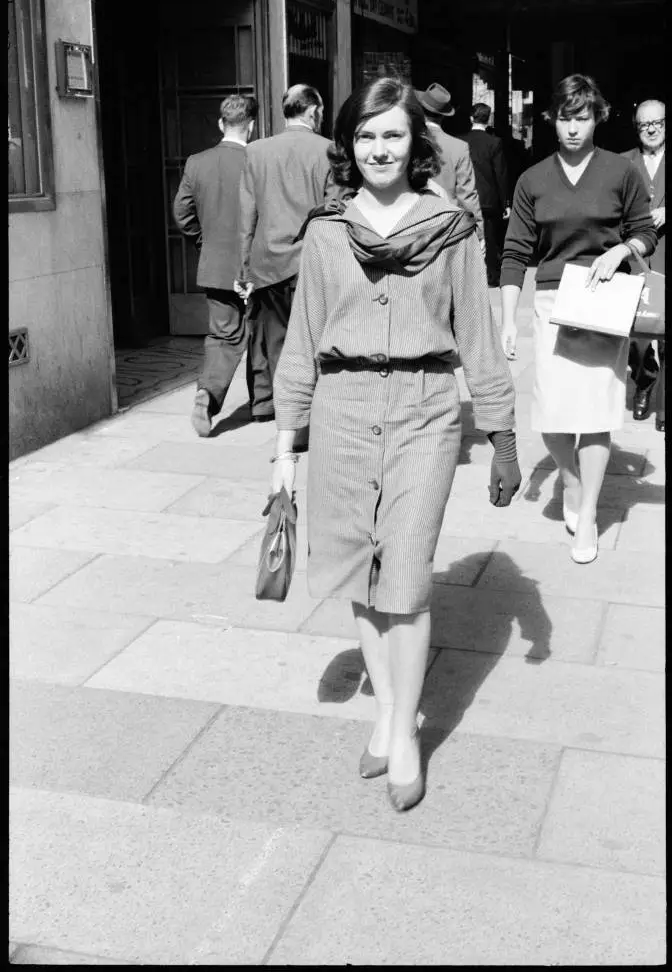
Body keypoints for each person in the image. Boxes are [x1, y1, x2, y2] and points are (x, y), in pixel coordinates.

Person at [270, 77, 520, 813]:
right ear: (349, 144)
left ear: (417, 144)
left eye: (393, 134)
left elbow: (477, 337)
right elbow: (302, 345)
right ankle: (388, 711)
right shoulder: (323, 233)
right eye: (367, 135)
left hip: (425, 412)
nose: (380, 147)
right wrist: (285, 447)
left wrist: (503, 434)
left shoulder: (452, 229)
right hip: (342, 411)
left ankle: (406, 735)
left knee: (405, 578)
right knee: (359, 575)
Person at [499, 74, 657, 565]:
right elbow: (514, 253)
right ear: (553, 119)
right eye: (565, 118)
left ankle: (587, 512)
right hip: (550, 303)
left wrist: (622, 251)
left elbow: (645, 231)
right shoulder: (533, 179)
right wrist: (507, 320)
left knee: (594, 416)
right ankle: (570, 481)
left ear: (597, 118)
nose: (572, 128)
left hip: (603, 302)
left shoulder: (619, 172)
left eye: (582, 117)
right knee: (549, 415)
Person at [173, 94, 273, 436]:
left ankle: (208, 394)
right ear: (252, 126)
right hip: (259, 265)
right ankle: (262, 405)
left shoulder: (196, 162)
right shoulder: (260, 160)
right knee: (261, 332)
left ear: (221, 124)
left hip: (216, 265)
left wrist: (206, 243)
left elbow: (183, 213)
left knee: (223, 335)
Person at [238, 84, 335, 389]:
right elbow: (336, 211)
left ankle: (286, 409)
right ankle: (308, 413)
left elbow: (246, 215)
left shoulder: (255, 151)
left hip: (268, 264)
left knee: (278, 342)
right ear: (313, 111)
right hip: (311, 260)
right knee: (314, 341)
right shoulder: (329, 150)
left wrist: (243, 268)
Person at [622, 99, 665, 432]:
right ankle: (644, 380)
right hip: (637, 261)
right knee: (637, 336)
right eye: (644, 124)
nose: (651, 129)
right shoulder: (623, 164)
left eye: (658, 122)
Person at [414, 82, 484, 250]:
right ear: (443, 116)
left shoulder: (409, 143)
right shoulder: (459, 147)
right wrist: (479, 232)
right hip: (447, 228)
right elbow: (467, 197)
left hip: (412, 226)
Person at [462, 103, 509, 286]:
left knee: (464, 237)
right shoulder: (494, 142)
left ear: (471, 118)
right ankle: (491, 276)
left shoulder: (461, 141)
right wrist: (505, 202)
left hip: (465, 196)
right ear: (488, 119)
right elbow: (501, 174)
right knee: (490, 238)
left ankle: (466, 278)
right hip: (489, 199)